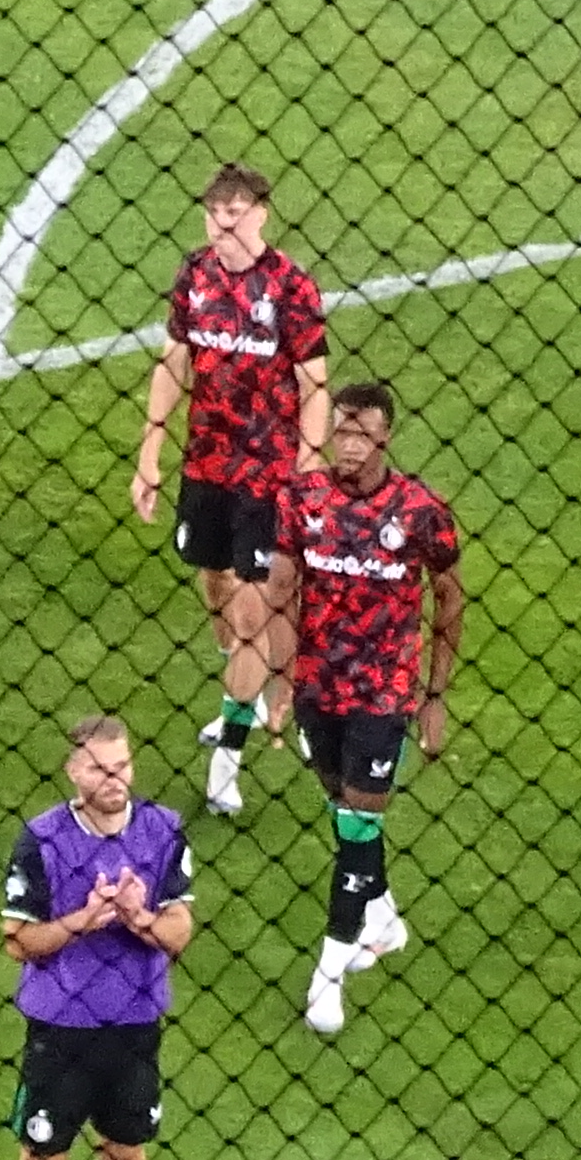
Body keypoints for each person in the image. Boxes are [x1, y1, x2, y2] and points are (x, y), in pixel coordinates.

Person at [127, 163, 331, 814]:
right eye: (214, 209)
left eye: (236, 209)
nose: (223, 219)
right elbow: (173, 363)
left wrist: (307, 471)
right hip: (205, 468)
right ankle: (249, 692)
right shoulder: (195, 275)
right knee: (214, 587)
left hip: (267, 477)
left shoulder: (290, 287)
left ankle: (227, 761)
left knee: (249, 615)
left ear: (262, 214)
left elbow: (315, 387)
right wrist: (149, 454)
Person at [0, 716, 195, 1160]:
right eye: (102, 769)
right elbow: (18, 940)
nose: (116, 780)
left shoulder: (162, 830)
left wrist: (138, 918)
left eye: (123, 766)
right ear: (75, 773)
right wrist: (86, 918)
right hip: (61, 1032)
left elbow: (181, 928)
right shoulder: (43, 838)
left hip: (135, 1027)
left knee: (127, 1156)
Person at [273, 384, 463, 1039]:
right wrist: (277, 684)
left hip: (384, 695)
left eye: (362, 433)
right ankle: (382, 915)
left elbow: (450, 600)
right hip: (316, 688)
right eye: (342, 432)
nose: (348, 445)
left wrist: (433, 696)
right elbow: (280, 592)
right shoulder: (302, 500)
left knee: (355, 826)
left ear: (386, 438)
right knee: (343, 812)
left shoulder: (419, 512)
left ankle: (329, 974)